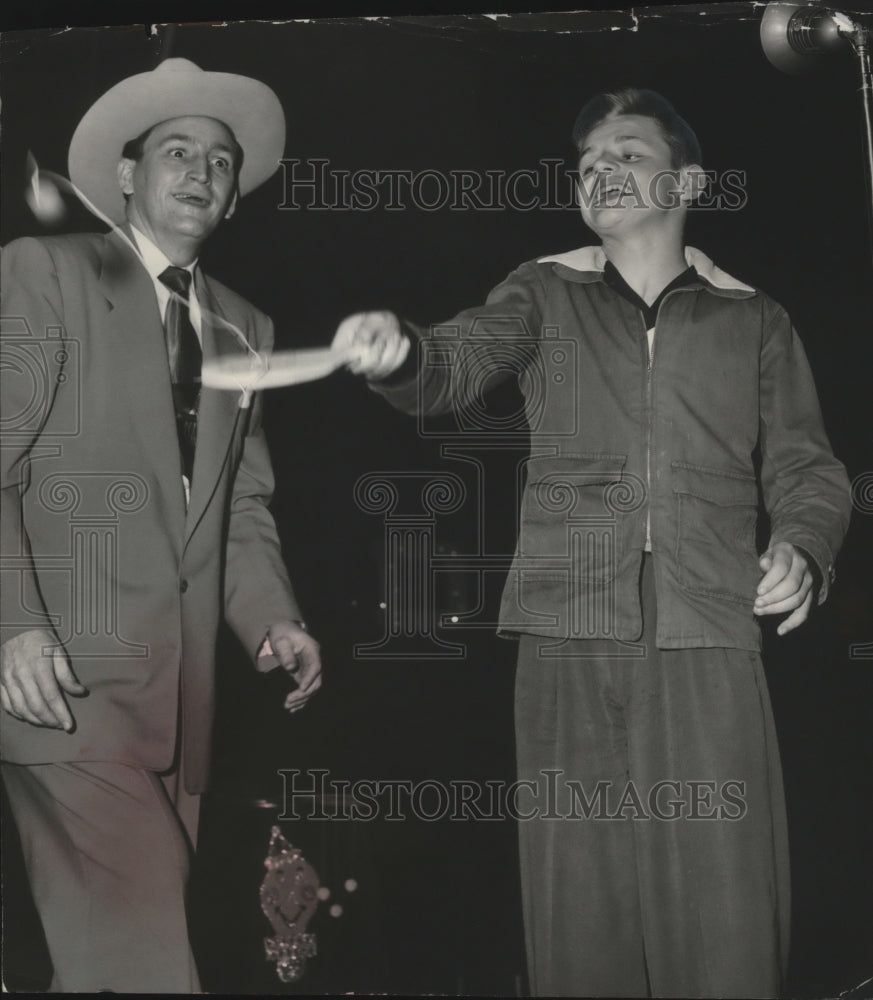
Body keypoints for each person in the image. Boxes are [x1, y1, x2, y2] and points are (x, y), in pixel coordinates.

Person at [333, 88, 852, 997]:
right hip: (566, 624)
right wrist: (404, 355)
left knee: (725, 906)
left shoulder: (754, 319)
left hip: (707, 626)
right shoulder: (541, 289)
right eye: (586, 166)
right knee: (579, 914)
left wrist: (804, 548)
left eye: (625, 153)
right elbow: (455, 363)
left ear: (686, 179)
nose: (600, 172)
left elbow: (808, 468)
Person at [0, 58, 321, 993]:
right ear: (128, 176)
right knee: (148, 965)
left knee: (111, 961)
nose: (201, 171)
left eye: (220, 161)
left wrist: (272, 617)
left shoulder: (245, 327)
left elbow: (239, 504)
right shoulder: (44, 273)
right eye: (176, 151)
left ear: (233, 196)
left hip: (178, 710)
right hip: (58, 680)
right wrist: (13, 624)